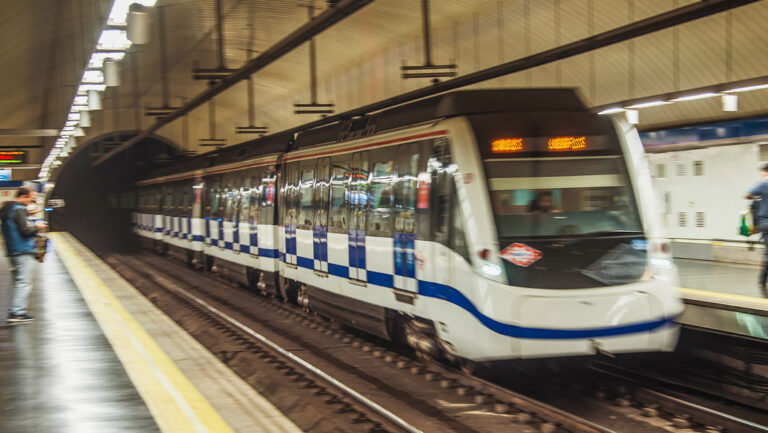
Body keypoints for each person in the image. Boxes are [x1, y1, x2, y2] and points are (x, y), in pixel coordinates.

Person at [1, 187, 46, 323]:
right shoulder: (19, 209)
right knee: (24, 282)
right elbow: (25, 231)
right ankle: (17, 313)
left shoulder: (8, 209)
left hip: (12, 250)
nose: (31, 202)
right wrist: (37, 227)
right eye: (31, 199)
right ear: (24, 196)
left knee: (19, 282)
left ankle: (15, 310)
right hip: (23, 249)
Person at [746, 164, 768, 297]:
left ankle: (762, 279)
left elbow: (747, 195)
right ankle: (762, 278)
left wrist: (755, 197)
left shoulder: (764, 184)